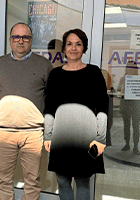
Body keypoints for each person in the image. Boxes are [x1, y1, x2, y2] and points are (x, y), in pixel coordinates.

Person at [0, 22, 53, 200]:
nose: (20, 41)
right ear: (10, 41)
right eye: (16, 37)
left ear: (31, 41)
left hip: (33, 133)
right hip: (5, 131)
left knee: (32, 181)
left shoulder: (44, 65)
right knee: (4, 179)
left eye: (25, 37)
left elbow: (51, 97)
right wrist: (8, 111)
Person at [43, 29, 108, 200]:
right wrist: (47, 136)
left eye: (78, 44)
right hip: (60, 137)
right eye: (69, 44)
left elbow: (102, 106)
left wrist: (100, 139)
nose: (73, 48)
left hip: (86, 139)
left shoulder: (94, 73)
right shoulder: (55, 75)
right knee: (62, 182)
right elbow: (49, 106)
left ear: (84, 48)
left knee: (83, 182)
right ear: (64, 48)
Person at [117, 61, 140, 155]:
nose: (130, 69)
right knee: (126, 125)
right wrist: (124, 81)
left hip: (136, 104)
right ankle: (127, 144)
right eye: (128, 67)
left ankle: (136, 146)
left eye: (132, 67)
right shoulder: (123, 78)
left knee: (136, 126)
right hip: (126, 104)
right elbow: (118, 91)